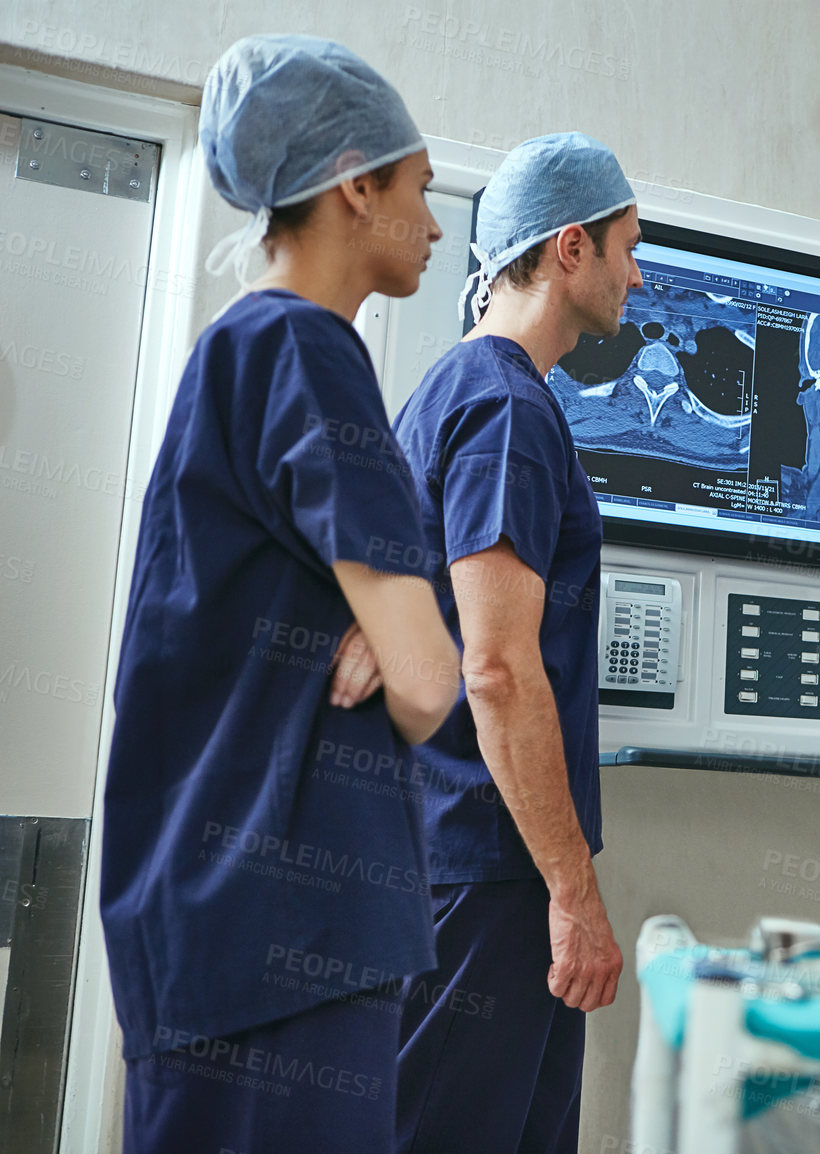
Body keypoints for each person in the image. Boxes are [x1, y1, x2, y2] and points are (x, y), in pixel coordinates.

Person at [101, 35, 460, 1154]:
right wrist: (399, 640)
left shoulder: (241, 350)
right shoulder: (306, 348)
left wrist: (368, 626)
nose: (436, 226)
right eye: (420, 189)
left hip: (231, 918)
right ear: (357, 183)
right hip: (283, 929)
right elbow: (431, 681)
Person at [391, 133, 639, 1154]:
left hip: (462, 857)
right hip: (487, 872)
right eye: (630, 245)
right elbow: (493, 668)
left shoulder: (452, 394)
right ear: (569, 247)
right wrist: (573, 891)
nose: (639, 273)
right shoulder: (504, 410)